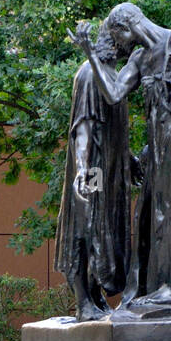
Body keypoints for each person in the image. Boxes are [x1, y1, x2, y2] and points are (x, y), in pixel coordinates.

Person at [73, 3, 171, 308]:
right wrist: (89, 52)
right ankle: (159, 284)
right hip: (158, 147)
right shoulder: (140, 58)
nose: (120, 47)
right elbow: (113, 93)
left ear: (127, 27)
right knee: (152, 216)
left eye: (118, 38)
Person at [55, 26, 135, 320]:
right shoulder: (89, 74)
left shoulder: (112, 76)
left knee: (104, 231)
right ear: (115, 42)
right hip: (94, 165)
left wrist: (129, 158)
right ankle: (82, 303)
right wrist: (83, 169)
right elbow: (84, 128)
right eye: (128, 40)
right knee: (85, 230)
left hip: (112, 167)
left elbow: (111, 126)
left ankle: (95, 297)